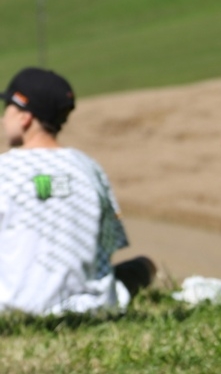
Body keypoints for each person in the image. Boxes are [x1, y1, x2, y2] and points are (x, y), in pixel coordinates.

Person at [0, 67, 155, 314]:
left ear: (24, 118)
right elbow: (109, 243)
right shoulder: (88, 167)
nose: (2, 119)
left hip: (15, 305)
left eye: (6, 108)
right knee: (145, 265)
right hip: (90, 307)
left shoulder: (5, 169)